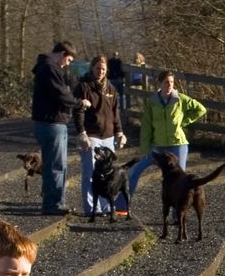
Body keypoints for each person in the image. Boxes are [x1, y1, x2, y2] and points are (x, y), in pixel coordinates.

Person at [124, 70, 205, 211]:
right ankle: (122, 206)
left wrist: (184, 121)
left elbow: (200, 109)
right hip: (158, 147)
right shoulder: (152, 102)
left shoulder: (180, 99)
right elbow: (146, 126)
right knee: (135, 170)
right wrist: (144, 149)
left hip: (177, 145)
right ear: (160, 83)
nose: (170, 85)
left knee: (180, 180)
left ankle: (177, 215)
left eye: (172, 82)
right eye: (166, 82)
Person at [30, 42, 82, 214]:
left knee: (56, 164)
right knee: (56, 165)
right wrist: (79, 103)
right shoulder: (50, 69)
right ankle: (53, 204)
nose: (67, 64)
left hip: (50, 122)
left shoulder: (45, 67)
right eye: (68, 59)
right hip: (52, 122)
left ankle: (54, 201)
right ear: (62, 54)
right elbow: (61, 94)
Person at [76, 56, 123, 218]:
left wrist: (119, 131)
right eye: (97, 68)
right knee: (90, 173)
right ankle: (91, 208)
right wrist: (81, 132)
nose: (100, 72)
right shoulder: (84, 86)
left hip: (108, 136)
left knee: (108, 175)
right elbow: (78, 111)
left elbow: (115, 112)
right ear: (92, 68)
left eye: (103, 69)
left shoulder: (111, 88)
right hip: (91, 135)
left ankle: (106, 207)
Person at [104, 52, 129, 130]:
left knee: (111, 95)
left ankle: (111, 108)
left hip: (111, 79)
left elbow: (108, 70)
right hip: (118, 79)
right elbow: (122, 70)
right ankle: (122, 109)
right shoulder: (119, 61)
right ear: (117, 55)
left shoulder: (110, 61)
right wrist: (124, 75)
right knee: (121, 95)